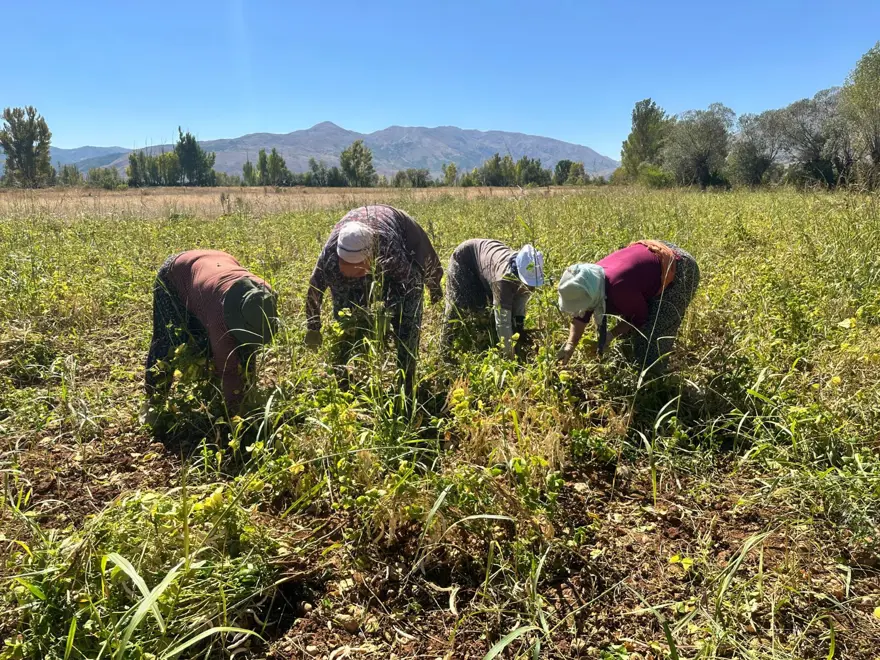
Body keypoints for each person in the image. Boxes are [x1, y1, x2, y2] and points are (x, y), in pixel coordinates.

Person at [304, 205, 443, 394]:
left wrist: (393, 318)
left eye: (360, 268)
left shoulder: (389, 250)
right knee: (345, 320)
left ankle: (406, 382)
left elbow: (412, 286)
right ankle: (343, 378)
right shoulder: (329, 260)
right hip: (361, 242)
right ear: (339, 259)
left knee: (407, 317)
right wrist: (313, 328)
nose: (356, 274)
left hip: (395, 230)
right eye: (348, 268)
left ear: (371, 257)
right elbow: (314, 292)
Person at [145, 250, 277, 411]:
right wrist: (236, 412)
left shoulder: (264, 294)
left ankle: (217, 392)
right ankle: (154, 402)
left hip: (217, 263)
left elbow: (250, 346)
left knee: (241, 348)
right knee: (169, 341)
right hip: (176, 274)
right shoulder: (219, 316)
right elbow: (228, 370)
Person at [556, 240, 699, 370]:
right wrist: (570, 345)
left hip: (680, 268)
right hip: (652, 260)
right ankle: (631, 360)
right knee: (627, 340)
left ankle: (653, 381)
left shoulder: (619, 288)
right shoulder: (590, 279)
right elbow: (581, 316)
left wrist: (611, 335)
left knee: (652, 339)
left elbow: (639, 318)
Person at [442, 239, 545, 358]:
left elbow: (520, 303)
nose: (531, 288)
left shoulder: (529, 268)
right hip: (465, 258)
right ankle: (444, 347)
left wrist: (519, 328)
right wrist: (510, 357)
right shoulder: (502, 281)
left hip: (486, 261)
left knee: (487, 308)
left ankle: (485, 335)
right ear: (518, 275)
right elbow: (502, 322)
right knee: (458, 305)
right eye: (528, 284)